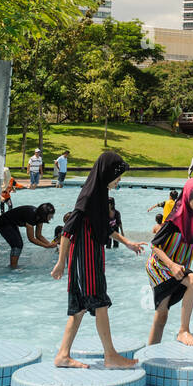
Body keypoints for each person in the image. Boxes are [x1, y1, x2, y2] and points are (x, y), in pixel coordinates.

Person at [52, 151, 143, 369]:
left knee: (80, 308)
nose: (119, 181)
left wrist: (127, 243)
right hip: (85, 260)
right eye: (118, 176)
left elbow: (105, 229)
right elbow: (67, 231)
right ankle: (110, 356)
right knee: (100, 302)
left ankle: (63, 355)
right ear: (107, 173)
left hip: (91, 258)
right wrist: (61, 263)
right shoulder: (89, 196)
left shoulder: (100, 195)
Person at [146, 177, 193, 348]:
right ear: (188, 196)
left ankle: (151, 351)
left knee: (162, 315)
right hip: (160, 266)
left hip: (179, 267)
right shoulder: (175, 219)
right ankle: (183, 331)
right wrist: (172, 265)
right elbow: (154, 246)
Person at [0, 203, 57, 269]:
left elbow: (39, 236)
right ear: (44, 215)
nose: (51, 218)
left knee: (18, 244)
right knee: (17, 244)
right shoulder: (31, 216)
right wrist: (46, 246)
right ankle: (13, 267)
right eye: (50, 216)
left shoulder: (40, 218)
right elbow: (31, 239)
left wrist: (50, 245)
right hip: (3, 223)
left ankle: (13, 266)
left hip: (12, 223)